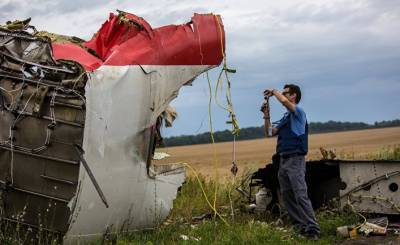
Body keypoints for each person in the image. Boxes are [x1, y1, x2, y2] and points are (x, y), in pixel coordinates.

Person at [261, 84, 320, 240]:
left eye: (286, 93)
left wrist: (274, 91)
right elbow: (269, 133)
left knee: (300, 195)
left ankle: (313, 229)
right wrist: (266, 115)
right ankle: (299, 226)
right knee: (287, 196)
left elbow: (285, 103)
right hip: (283, 160)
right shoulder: (286, 117)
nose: (283, 95)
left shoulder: (299, 112)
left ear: (293, 96)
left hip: (295, 159)